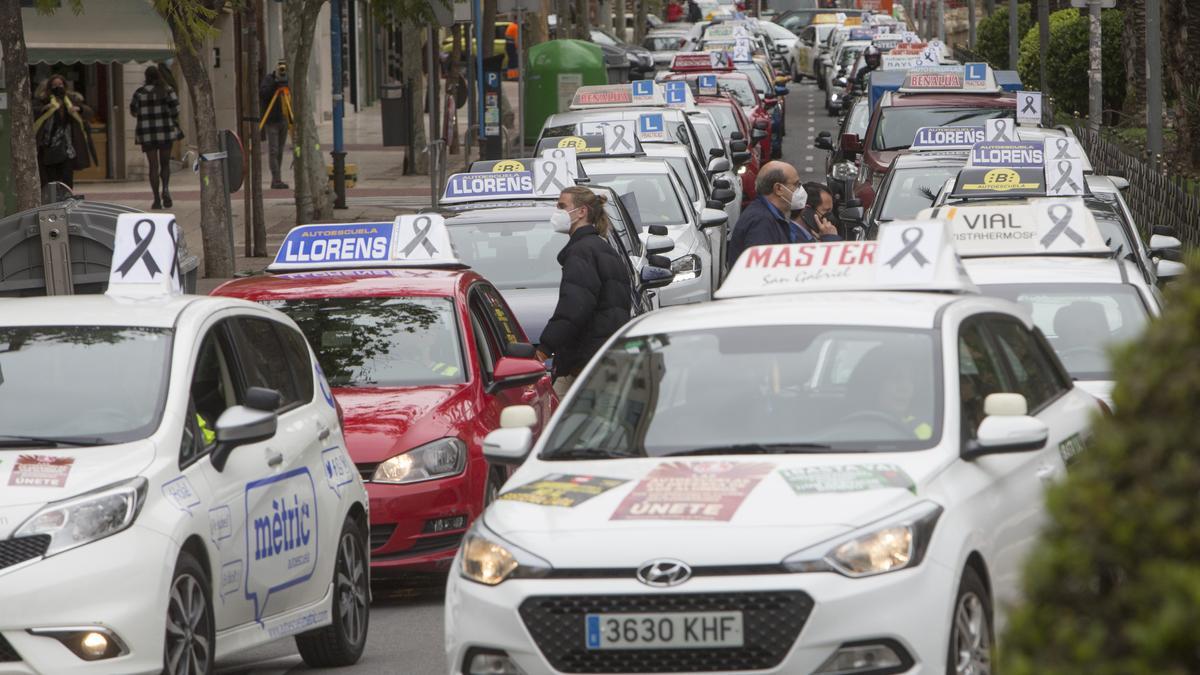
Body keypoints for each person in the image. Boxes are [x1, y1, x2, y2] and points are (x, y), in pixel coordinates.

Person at [536, 187, 633, 397]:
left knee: (555, 417)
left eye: (562, 206)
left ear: (581, 212)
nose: (557, 212)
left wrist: (544, 348)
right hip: (604, 358)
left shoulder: (582, 252)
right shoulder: (601, 248)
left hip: (585, 363)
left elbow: (574, 306)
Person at [727, 161, 840, 266]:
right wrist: (830, 239)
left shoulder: (771, 216)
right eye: (796, 185)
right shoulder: (761, 221)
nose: (800, 190)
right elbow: (762, 270)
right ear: (779, 189)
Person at [130, 65, 184, 210]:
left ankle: (156, 199)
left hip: (147, 134)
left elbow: (133, 111)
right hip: (165, 131)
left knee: (153, 165)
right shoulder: (167, 91)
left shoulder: (139, 93)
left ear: (146, 77)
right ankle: (165, 189)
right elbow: (176, 110)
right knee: (165, 164)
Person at [32, 74, 95, 189]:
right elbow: (32, 112)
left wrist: (79, 109)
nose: (58, 87)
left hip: (68, 148)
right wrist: (45, 109)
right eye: (54, 85)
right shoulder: (43, 100)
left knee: (67, 179)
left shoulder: (70, 100)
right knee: (50, 180)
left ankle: (66, 201)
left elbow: (89, 112)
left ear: (65, 86)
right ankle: (52, 203)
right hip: (48, 148)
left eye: (60, 84)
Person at [259, 60, 291, 190]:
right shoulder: (269, 79)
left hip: (283, 119)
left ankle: (277, 178)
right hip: (271, 120)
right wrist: (275, 85)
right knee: (273, 150)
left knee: (280, 150)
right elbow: (263, 94)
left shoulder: (287, 80)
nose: (282, 72)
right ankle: (276, 180)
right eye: (280, 69)